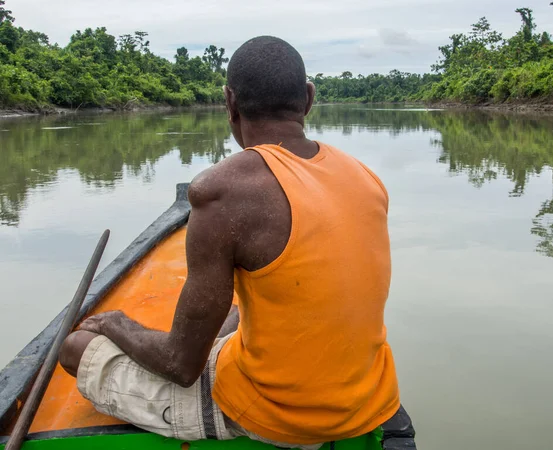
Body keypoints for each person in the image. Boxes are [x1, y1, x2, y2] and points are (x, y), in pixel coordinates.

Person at [59, 36, 400, 448]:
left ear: (230, 103)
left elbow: (180, 365)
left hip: (282, 417)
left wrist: (117, 324)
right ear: (309, 99)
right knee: (237, 313)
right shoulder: (365, 178)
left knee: (76, 348)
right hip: (369, 399)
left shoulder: (221, 191)